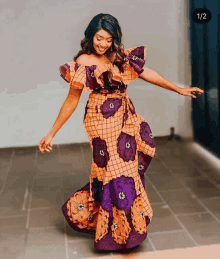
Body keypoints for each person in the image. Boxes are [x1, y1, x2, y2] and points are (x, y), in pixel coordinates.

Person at [38, 13, 204, 251]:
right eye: (99, 38)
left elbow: (147, 73)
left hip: (124, 118)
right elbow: (72, 100)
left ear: (114, 39)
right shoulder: (84, 61)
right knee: (115, 171)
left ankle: (123, 229)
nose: (103, 43)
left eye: (108, 39)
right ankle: (113, 232)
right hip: (100, 121)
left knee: (123, 171)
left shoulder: (118, 56)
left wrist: (178, 89)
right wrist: (51, 133)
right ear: (90, 36)